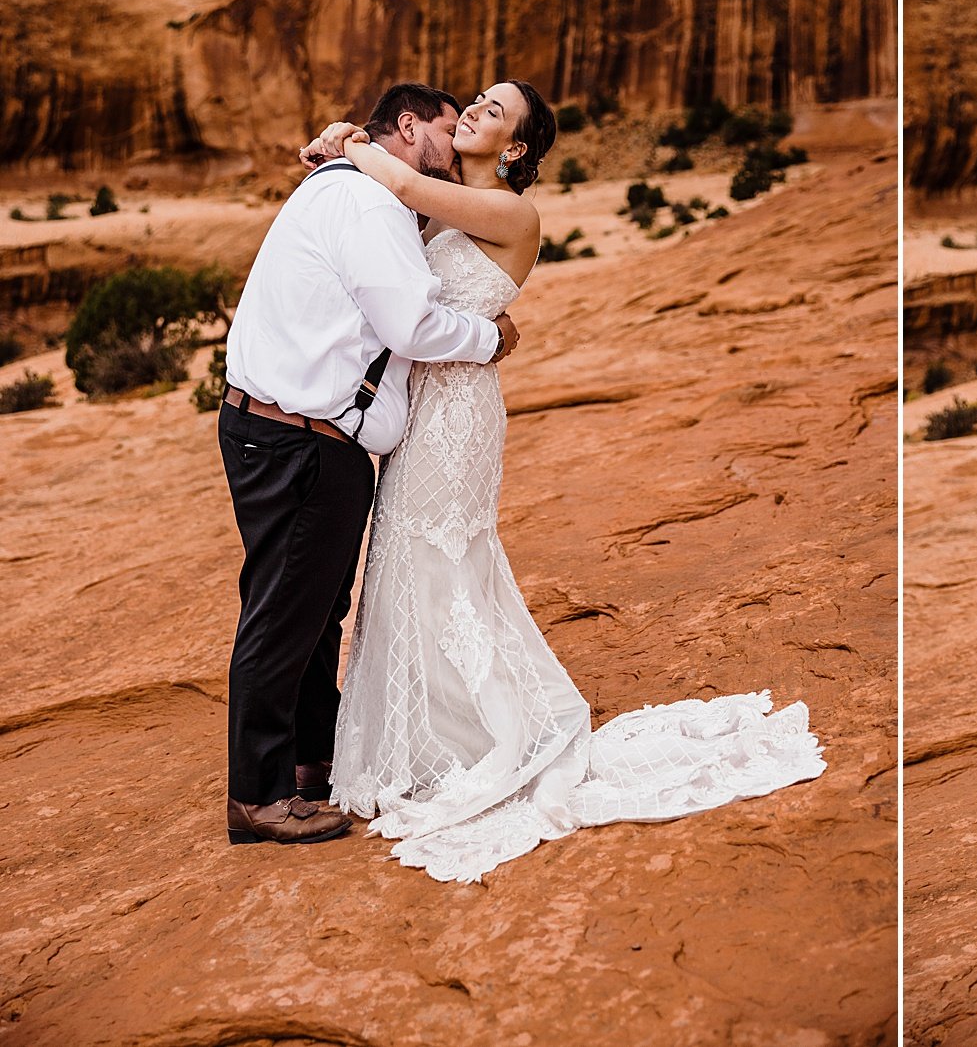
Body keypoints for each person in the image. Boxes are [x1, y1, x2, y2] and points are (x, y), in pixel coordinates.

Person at [304, 79, 826, 884]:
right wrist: (348, 134)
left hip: (458, 415)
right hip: (421, 412)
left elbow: (399, 183)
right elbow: (389, 217)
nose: (475, 109)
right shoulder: (448, 203)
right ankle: (422, 734)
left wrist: (355, 140)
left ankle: (478, 739)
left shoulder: (509, 212)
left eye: (494, 112)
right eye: (475, 100)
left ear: (514, 149)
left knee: (437, 561)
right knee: (403, 565)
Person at [218, 82, 520, 846]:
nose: (455, 143)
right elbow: (410, 323)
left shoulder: (361, 187)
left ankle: (309, 766)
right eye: (450, 127)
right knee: (289, 615)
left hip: (298, 431)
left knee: (317, 611)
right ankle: (258, 796)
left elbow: (414, 210)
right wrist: (493, 340)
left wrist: (342, 143)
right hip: (305, 439)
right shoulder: (368, 202)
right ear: (410, 127)